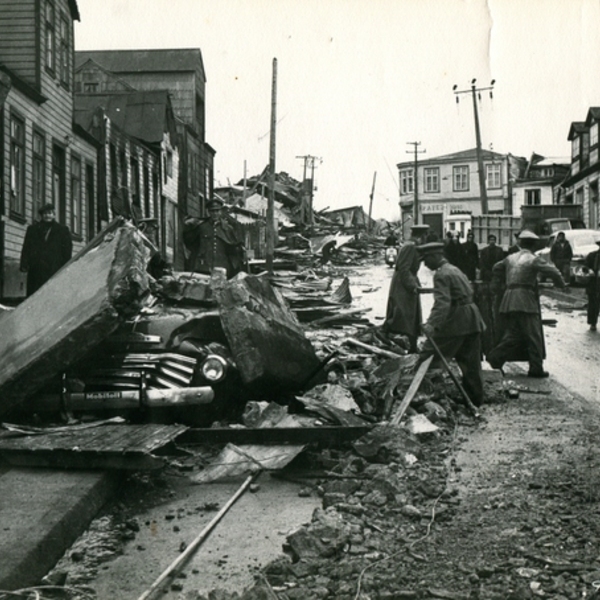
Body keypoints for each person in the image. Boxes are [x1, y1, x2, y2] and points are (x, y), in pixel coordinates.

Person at [487, 230, 565, 378]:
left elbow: (496, 267)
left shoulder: (510, 258)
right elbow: (553, 271)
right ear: (533, 245)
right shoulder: (533, 259)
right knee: (533, 335)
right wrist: (561, 284)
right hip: (525, 301)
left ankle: (495, 357)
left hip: (509, 300)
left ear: (520, 243)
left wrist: (504, 280)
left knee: (514, 334)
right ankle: (536, 368)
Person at [417, 242, 486, 407]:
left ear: (435, 256)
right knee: (471, 363)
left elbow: (442, 303)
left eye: (426, 259)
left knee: (429, 354)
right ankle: (476, 398)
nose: (425, 264)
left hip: (457, 320)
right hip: (472, 318)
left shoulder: (441, 275)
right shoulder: (454, 269)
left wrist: (431, 325)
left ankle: (419, 393)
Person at [382, 223, 430, 352]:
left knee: (411, 317)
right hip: (402, 286)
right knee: (401, 315)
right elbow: (404, 268)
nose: (426, 238)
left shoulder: (413, 246)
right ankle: (383, 336)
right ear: (422, 235)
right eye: (425, 235)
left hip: (406, 283)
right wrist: (412, 286)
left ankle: (412, 346)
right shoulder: (410, 247)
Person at [183, 198, 245, 279]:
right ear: (208, 212)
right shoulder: (202, 227)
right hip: (204, 267)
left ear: (221, 211)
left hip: (222, 267)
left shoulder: (228, 228)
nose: (215, 213)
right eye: (212, 211)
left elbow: (232, 247)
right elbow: (192, 244)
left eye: (217, 211)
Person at [20, 203, 72, 297]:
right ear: (41, 215)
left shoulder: (62, 230)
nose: (47, 215)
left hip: (54, 268)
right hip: (36, 269)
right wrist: (24, 263)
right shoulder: (32, 229)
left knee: (52, 295)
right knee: (34, 295)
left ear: (54, 215)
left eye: (50, 213)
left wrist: (66, 266)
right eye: (45, 213)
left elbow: (67, 250)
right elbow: (26, 247)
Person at [477, 234, 506, 352]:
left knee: (496, 297)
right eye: (490, 240)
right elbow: (482, 263)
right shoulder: (484, 251)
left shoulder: (500, 251)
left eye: (494, 240)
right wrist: (486, 273)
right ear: (488, 241)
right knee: (487, 297)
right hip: (487, 276)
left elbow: (502, 263)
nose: (492, 241)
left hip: (496, 277)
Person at [584, 240, 600, 331]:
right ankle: (593, 323)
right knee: (593, 305)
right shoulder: (592, 255)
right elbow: (584, 267)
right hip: (594, 284)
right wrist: (589, 270)